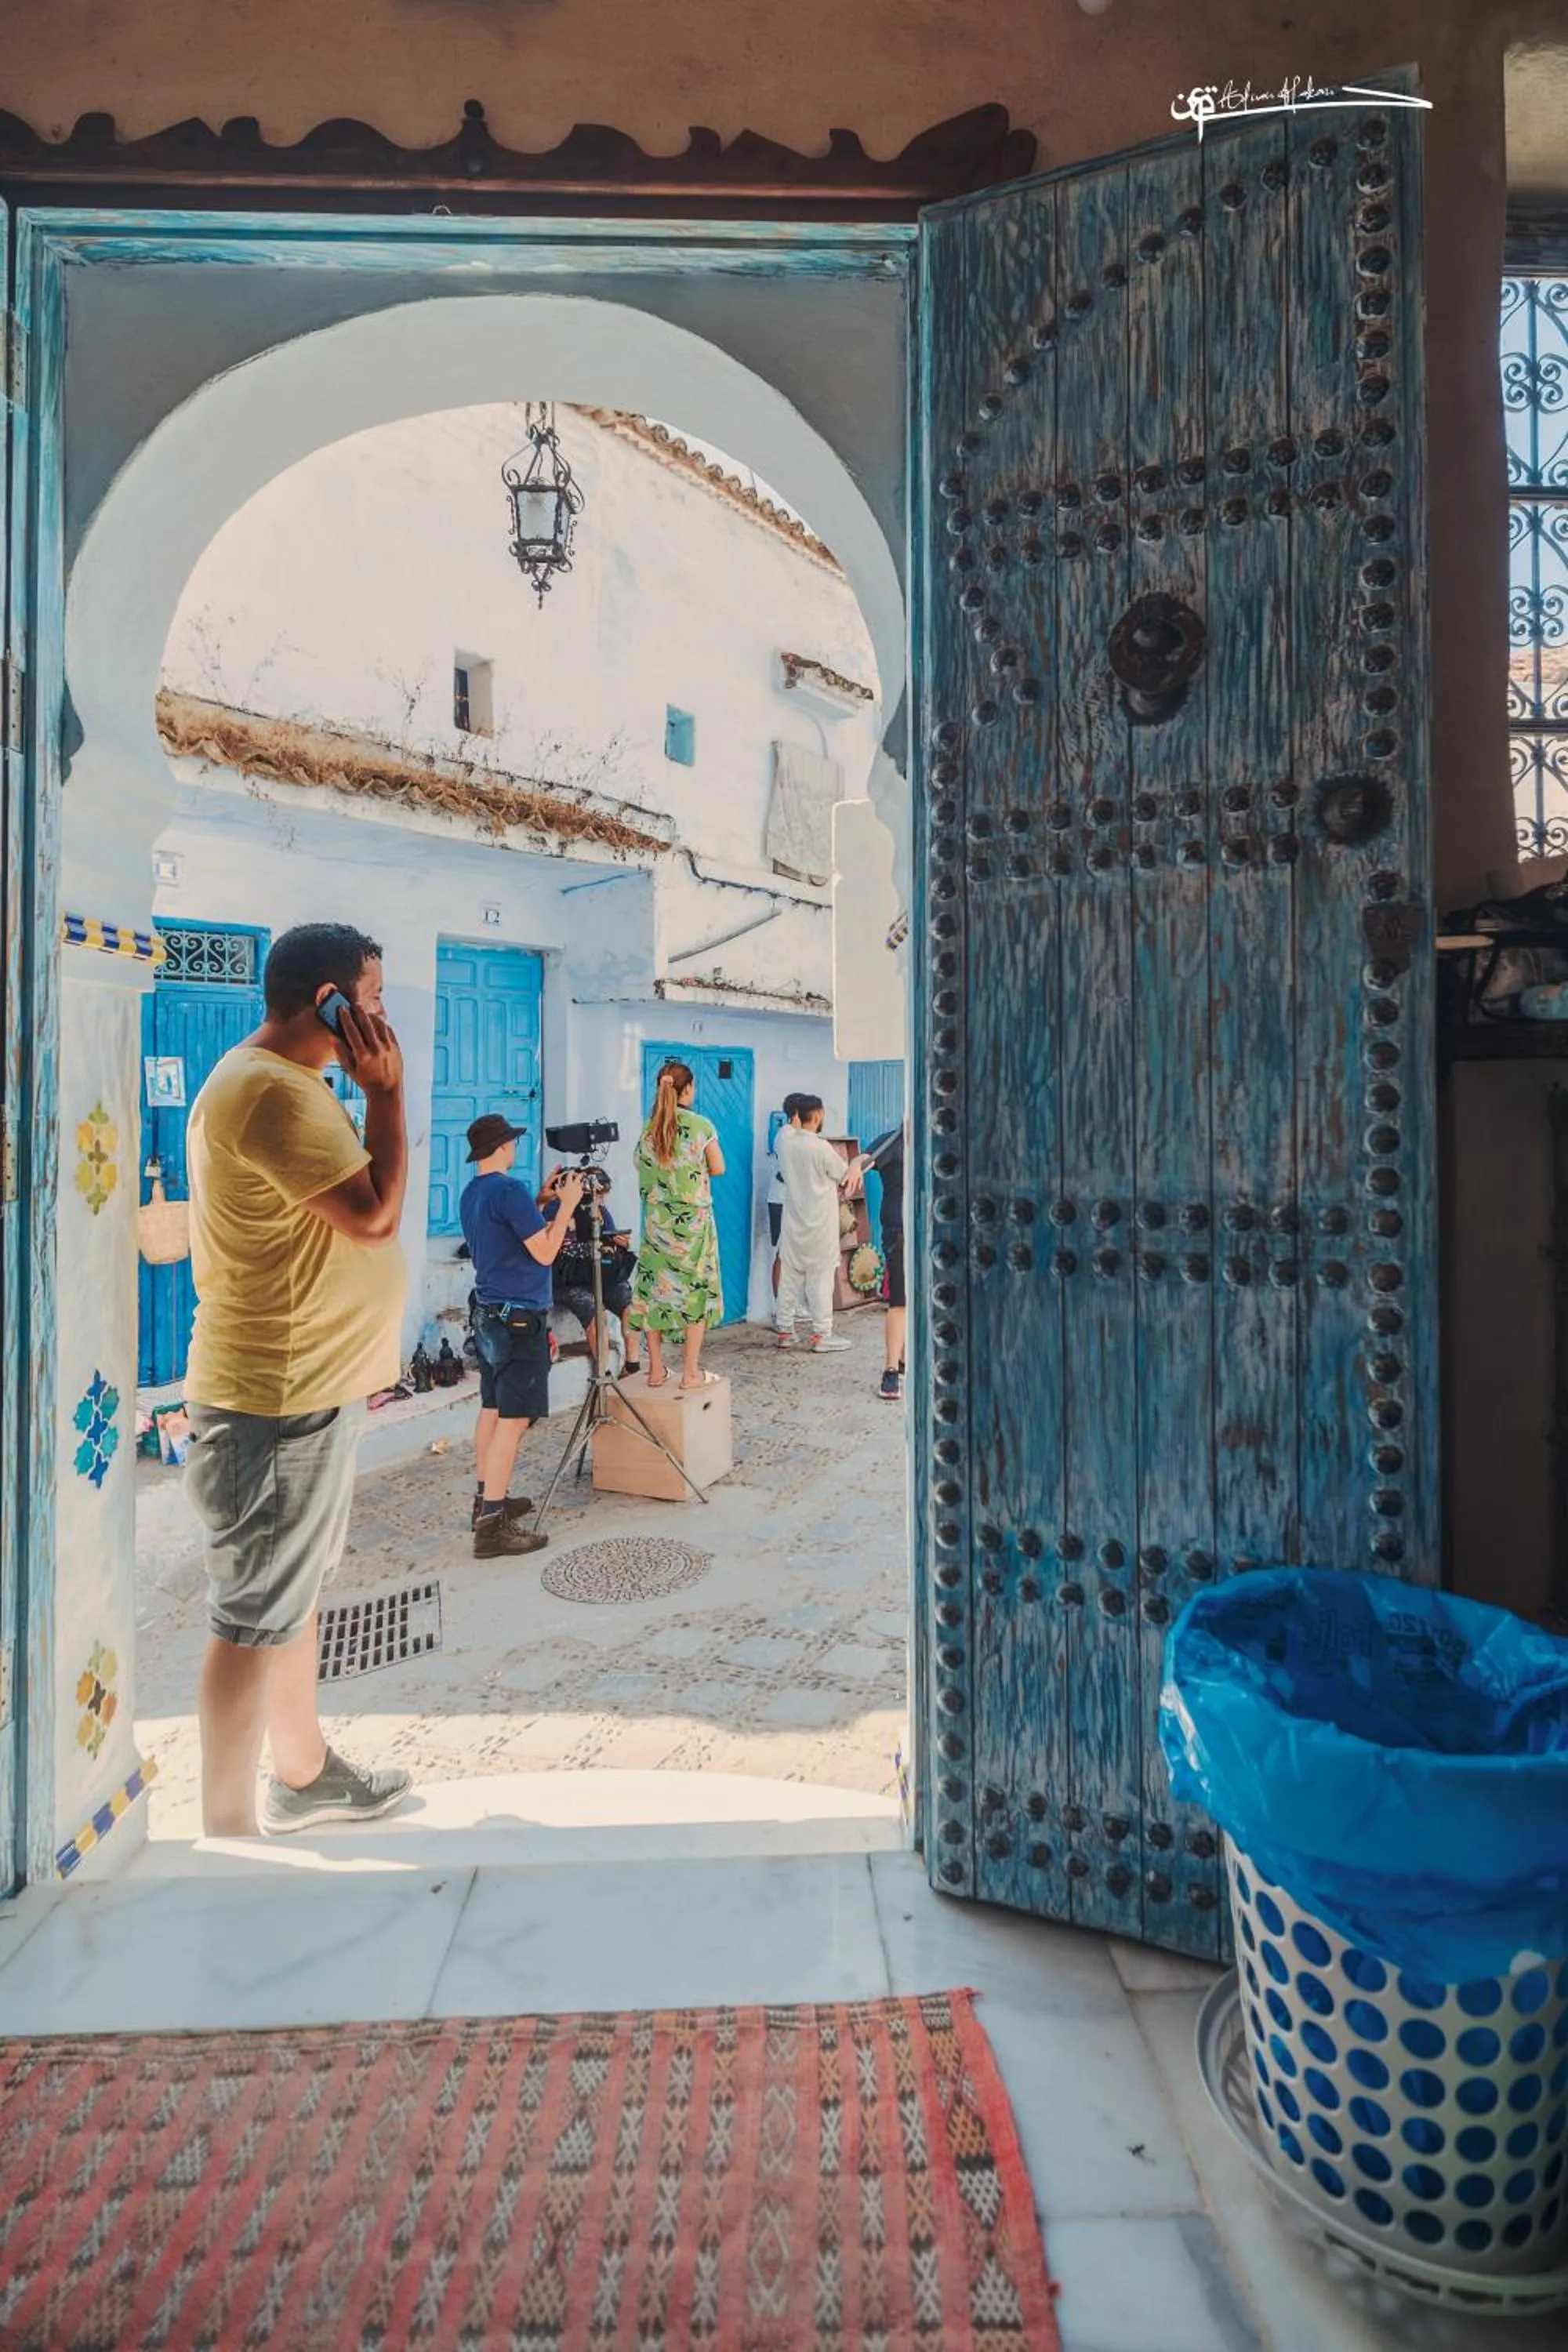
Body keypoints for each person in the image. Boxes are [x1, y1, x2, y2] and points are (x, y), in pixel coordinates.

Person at [183, 921, 412, 1838]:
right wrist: (387, 1096)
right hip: (270, 1399)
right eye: (373, 999)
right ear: (328, 1003)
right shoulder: (269, 1093)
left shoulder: (287, 1085)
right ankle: (228, 1837)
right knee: (248, 1619)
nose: (381, 1018)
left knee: (290, 1598)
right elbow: (375, 1216)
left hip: (302, 1391)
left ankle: (303, 1775)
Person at [460, 1116, 584, 1558]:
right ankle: (493, 1527)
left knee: (492, 1410)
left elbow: (507, 1235)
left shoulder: (475, 1192)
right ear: (501, 1147)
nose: (516, 1147)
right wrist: (567, 1204)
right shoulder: (508, 1191)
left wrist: (542, 1200)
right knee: (514, 1421)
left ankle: (486, 1499)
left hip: (490, 1315)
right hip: (518, 1321)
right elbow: (547, 1252)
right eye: (511, 1142)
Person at [630, 1058, 725, 1391]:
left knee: (653, 1292)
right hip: (693, 1228)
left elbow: (640, 1167)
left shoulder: (647, 1128)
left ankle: (656, 1369)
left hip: (657, 1226)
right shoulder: (701, 1126)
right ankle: (690, 1373)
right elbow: (719, 1167)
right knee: (695, 1292)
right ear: (687, 1089)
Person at [774, 1095, 858, 1355]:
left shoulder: (785, 1142)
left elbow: (788, 1128)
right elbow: (845, 1177)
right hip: (819, 1226)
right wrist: (856, 1162)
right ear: (819, 1115)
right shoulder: (820, 1148)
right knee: (821, 1281)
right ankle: (822, 1335)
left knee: (790, 1278)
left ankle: (785, 1331)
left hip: (793, 1223)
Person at [544, 1169, 641, 1378]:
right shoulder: (555, 1209)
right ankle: (603, 1375)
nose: (601, 1199)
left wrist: (619, 1244)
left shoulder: (601, 1212)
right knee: (595, 1312)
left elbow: (607, 1242)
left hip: (596, 1272)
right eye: (598, 1194)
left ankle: (632, 1367)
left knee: (629, 1304)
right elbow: (544, 1246)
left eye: (604, 1194)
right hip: (567, 1278)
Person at [861, 1119, 908, 1401]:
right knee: (900, 1301)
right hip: (899, 1232)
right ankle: (891, 1370)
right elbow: (866, 1161)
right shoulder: (892, 1141)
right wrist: (856, 1164)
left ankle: (905, 1359)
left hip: (934, 1230)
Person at [765, 1092, 804, 1300]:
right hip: (781, 1200)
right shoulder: (786, 1135)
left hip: (791, 1200)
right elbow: (789, 1172)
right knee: (782, 1254)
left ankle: (790, 1304)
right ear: (798, 1112)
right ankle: (781, 1307)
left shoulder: (796, 1135)